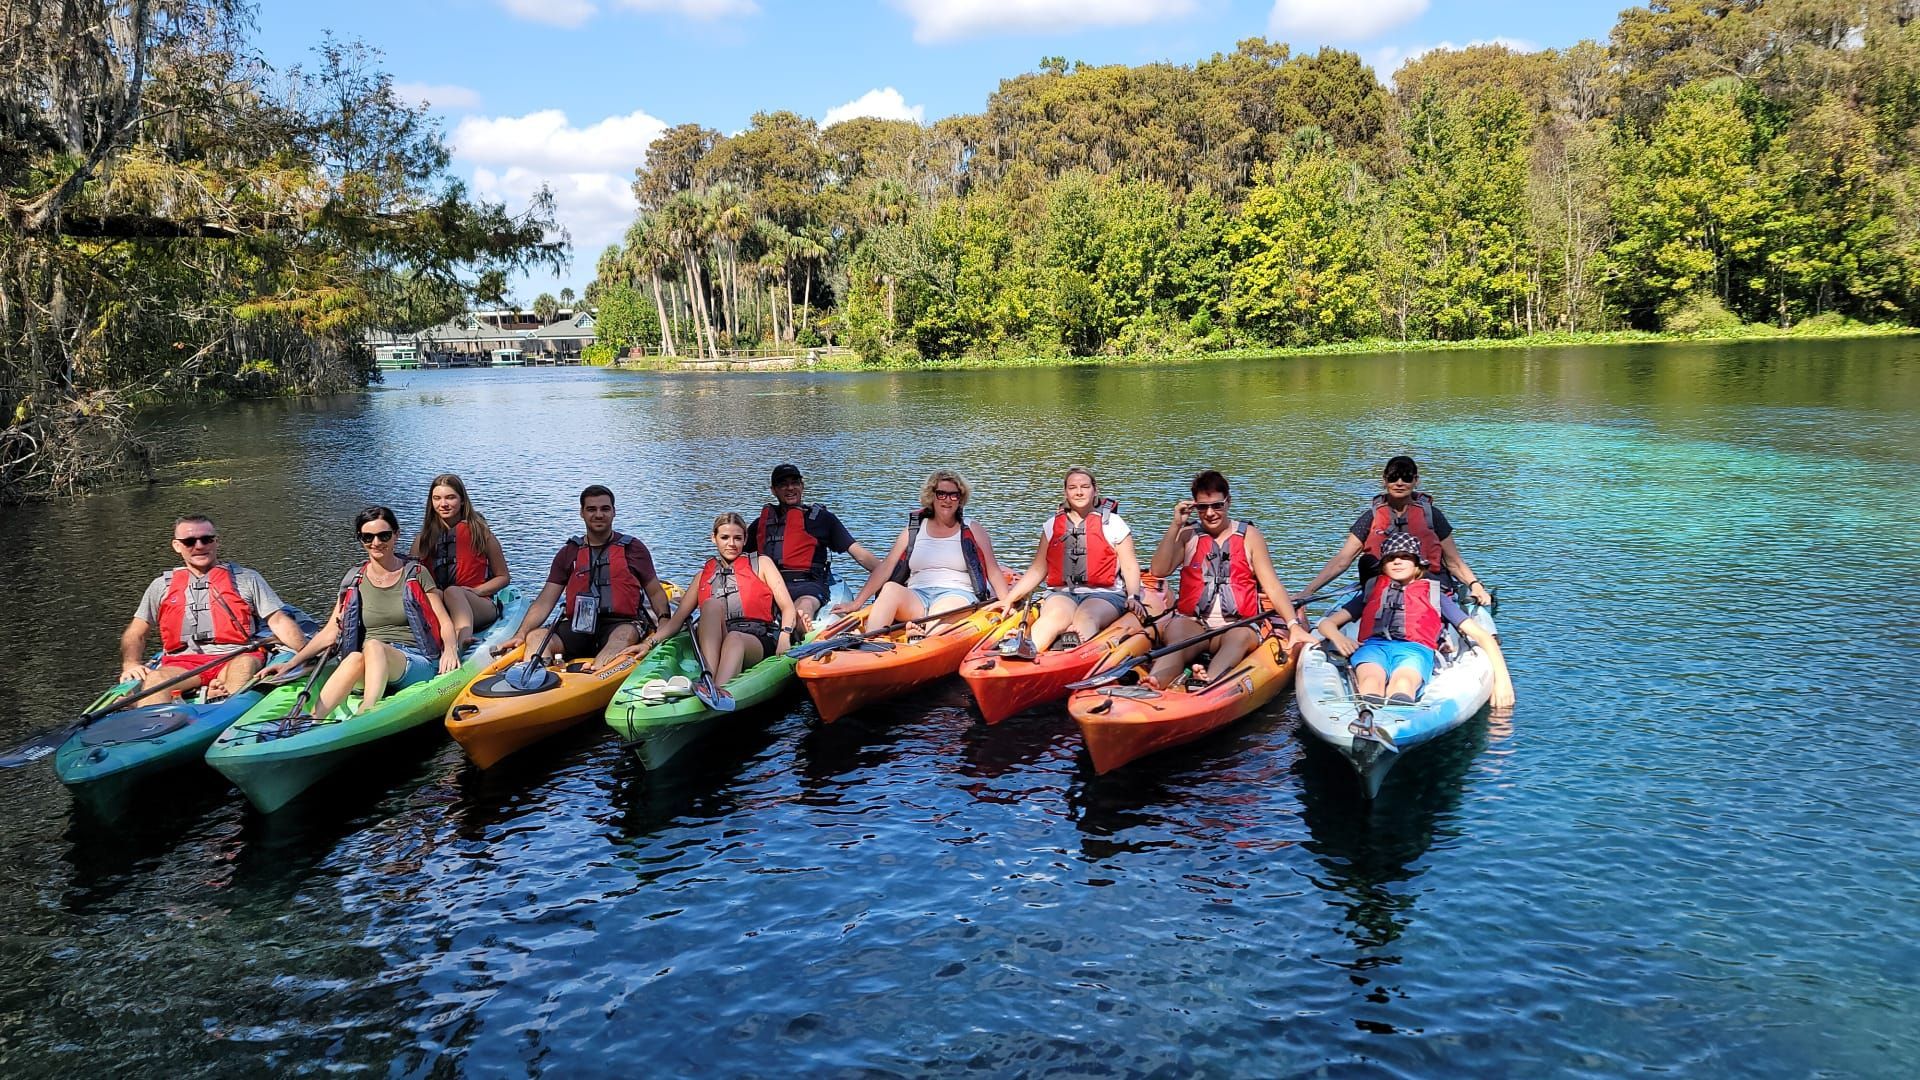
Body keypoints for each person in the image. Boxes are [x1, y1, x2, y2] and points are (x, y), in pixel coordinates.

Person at [259, 506, 460, 716]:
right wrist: (291, 664)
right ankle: (313, 720)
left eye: (384, 536)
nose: (376, 543)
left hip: (413, 661)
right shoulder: (354, 580)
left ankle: (368, 709)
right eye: (368, 537)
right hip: (367, 663)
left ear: (396, 536)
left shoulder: (417, 573)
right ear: (360, 539)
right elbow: (330, 632)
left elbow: (444, 622)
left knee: (374, 646)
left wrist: (451, 649)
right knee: (354, 658)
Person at [1142, 470, 1311, 689]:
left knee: (1238, 638)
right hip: (1195, 623)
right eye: (1202, 507)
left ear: (1228, 502)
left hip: (1237, 624)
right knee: (1177, 636)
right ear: (1195, 506)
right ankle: (1155, 681)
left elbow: (1272, 585)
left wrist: (1293, 625)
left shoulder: (1250, 536)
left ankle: (1208, 682)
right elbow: (1159, 569)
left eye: (1217, 505)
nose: (1210, 513)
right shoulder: (1187, 535)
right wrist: (1175, 526)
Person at [119, 515, 309, 705]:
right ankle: (151, 726)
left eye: (206, 539)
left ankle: (226, 709)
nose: (199, 546)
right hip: (182, 664)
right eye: (189, 542)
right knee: (156, 680)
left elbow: (278, 621)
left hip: (237, 655)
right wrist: (131, 664)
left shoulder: (247, 579)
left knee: (243, 667)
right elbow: (136, 632)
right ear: (177, 546)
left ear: (216, 542)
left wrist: (307, 653)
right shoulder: (160, 586)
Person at [1315, 532, 1514, 709]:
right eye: (1391, 558)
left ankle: (1396, 718)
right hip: (1373, 647)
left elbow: (1483, 636)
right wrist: (1339, 639)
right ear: (1383, 566)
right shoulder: (1372, 591)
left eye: (1405, 557)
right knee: (1370, 680)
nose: (1397, 562)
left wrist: (1502, 683)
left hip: (1415, 650)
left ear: (1417, 564)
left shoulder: (1435, 595)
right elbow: (1326, 623)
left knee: (1403, 683)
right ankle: (1366, 718)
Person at [497, 485, 671, 669]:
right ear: (582, 513)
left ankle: (596, 673)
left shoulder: (634, 549)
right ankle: (540, 675)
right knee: (536, 636)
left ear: (614, 512)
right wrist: (521, 633)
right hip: (578, 626)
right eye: (591, 509)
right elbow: (544, 602)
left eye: (605, 509)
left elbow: (655, 593)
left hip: (623, 624)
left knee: (622, 637)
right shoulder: (568, 553)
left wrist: (665, 621)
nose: (598, 514)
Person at [624, 513, 801, 691]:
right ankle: (709, 677)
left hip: (758, 638)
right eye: (724, 537)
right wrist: (648, 644)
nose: (731, 544)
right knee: (710, 604)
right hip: (718, 639)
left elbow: (787, 607)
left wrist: (785, 636)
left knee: (734, 638)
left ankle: (717, 689)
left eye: (737, 538)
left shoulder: (762, 564)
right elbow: (676, 623)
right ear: (713, 538)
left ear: (745, 539)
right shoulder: (703, 576)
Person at [1298, 455, 1495, 606]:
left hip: (1429, 586)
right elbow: (1341, 561)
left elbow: (1454, 562)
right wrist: (1308, 591)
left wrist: (1475, 585)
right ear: (1384, 480)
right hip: (1381, 590)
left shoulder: (1432, 515)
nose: (1399, 483)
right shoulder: (1371, 517)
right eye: (1393, 477)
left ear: (1416, 481)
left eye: (1406, 477)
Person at [993, 466, 1146, 653]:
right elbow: (1038, 569)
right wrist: (1009, 599)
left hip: (1105, 594)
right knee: (1053, 617)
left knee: (1087, 616)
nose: (1079, 492)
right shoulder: (1052, 526)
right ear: (1065, 492)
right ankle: (1028, 648)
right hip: (1063, 593)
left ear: (1095, 490)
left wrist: (1133, 596)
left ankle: (1075, 645)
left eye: (1085, 486)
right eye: (1073, 487)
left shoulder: (1113, 524)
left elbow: (1129, 565)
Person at [837, 469, 1010, 632]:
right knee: (889, 588)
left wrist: (1007, 602)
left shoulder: (973, 529)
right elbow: (886, 567)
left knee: (941, 611)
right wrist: (857, 603)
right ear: (932, 497)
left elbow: (993, 571)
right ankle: (870, 642)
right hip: (917, 595)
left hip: (956, 594)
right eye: (941, 494)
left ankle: (922, 638)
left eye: (953, 495)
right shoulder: (913, 529)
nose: (947, 500)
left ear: (960, 499)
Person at [745, 463, 880, 631]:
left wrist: (891, 573)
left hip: (808, 584)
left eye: (795, 483)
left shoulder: (822, 520)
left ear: (802, 486)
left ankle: (802, 627)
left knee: (805, 604)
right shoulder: (760, 525)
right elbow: (738, 561)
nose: (790, 488)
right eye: (783, 484)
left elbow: (860, 555)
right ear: (773, 490)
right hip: (771, 585)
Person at [410, 473, 511, 650]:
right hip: (440, 606)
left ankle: (463, 640)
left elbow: (503, 577)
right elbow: (410, 578)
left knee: (453, 592)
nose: (443, 504)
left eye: (450, 498)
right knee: (440, 594)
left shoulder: (481, 533)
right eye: (437, 498)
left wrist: (476, 591)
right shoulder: (423, 540)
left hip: (478, 603)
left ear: (462, 500)